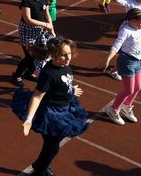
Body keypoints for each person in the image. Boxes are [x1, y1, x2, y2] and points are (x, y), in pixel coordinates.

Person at [11, 37, 88, 176]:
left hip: (65, 108)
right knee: (53, 147)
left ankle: (40, 166)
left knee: (51, 145)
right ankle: (39, 171)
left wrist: (71, 89)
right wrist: (29, 118)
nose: (68, 57)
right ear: (53, 55)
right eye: (63, 55)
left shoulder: (65, 66)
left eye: (69, 53)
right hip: (52, 114)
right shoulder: (48, 74)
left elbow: (63, 83)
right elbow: (37, 96)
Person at [102, 8, 141, 125]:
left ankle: (126, 106)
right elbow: (116, 46)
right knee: (128, 90)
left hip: (136, 62)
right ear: (133, 21)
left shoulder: (137, 29)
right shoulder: (125, 31)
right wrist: (107, 59)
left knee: (138, 87)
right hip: (126, 62)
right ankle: (113, 109)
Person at [11, 0, 55, 88]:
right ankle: (16, 75)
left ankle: (29, 73)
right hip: (27, 31)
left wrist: (51, 28)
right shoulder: (26, 1)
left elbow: (47, 14)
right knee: (30, 57)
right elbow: (28, 20)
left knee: (40, 55)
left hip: (39, 30)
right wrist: (45, 24)